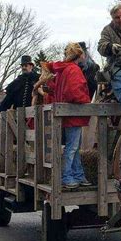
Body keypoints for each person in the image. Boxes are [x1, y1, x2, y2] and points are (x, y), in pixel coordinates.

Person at [44, 43, 92, 190]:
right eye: (83, 53)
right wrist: (86, 100)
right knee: (72, 147)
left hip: (66, 114)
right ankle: (66, 177)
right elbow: (74, 92)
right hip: (73, 114)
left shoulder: (63, 69)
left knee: (74, 147)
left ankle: (78, 175)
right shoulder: (74, 70)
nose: (84, 56)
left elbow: (57, 89)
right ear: (79, 55)